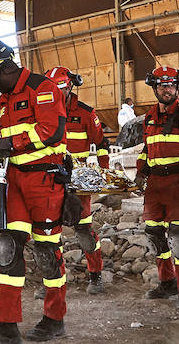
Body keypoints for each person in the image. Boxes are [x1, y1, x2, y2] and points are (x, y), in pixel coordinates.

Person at [0, 38, 68, 343]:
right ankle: (6, 325)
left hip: (44, 183)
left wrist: (12, 144)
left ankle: (54, 319)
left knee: (47, 251)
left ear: (4, 68)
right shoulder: (3, 101)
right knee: (8, 249)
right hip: (14, 182)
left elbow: (51, 132)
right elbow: (11, 144)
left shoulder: (44, 88)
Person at [134, 66, 179, 310]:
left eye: (172, 86)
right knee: (154, 233)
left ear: (177, 88)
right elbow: (148, 149)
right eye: (163, 86)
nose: (168, 90)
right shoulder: (149, 117)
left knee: (177, 235)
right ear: (155, 88)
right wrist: (140, 173)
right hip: (155, 186)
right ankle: (167, 282)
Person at [44, 66, 108, 295]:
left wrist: (104, 172)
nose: (57, 93)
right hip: (49, 180)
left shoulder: (85, 113)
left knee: (83, 230)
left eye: (60, 88)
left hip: (78, 183)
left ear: (70, 85)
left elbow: (102, 144)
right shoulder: (42, 112)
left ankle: (96, 276)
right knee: (48, 233)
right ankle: (52, 279)